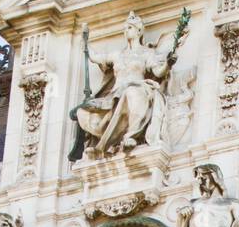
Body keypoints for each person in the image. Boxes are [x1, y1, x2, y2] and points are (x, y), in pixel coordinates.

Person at [75, 12, 181, 155]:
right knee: (82, 112)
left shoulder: (146, 53)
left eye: (130, 27)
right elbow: (96, 57)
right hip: (115, 96)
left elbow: (158, 72)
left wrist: (168, 64)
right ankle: (107, 141)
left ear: (139, 30)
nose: (126, 30)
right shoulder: (117, 54)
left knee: (131, 93)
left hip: (137, 90)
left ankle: (130, 135)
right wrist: (85, 43)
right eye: (125, 28)